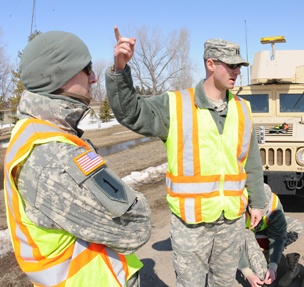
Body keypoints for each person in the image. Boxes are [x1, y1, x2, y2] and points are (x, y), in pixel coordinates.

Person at [105, 26, 266, 286]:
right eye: (232, 65)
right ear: (211, 64)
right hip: (192, 225)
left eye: (240, 66)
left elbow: (252, 162)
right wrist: (120, 71)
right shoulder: (175, 105)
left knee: (223, 283)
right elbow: (131, 112)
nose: (237, 71)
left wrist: (257, 201)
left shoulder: (243, 109)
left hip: (231, 222)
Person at [4, 31, 151, 287]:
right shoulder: (54, 157)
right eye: (87, 69)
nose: (94, 77)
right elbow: (135, 227)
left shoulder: (36, 131)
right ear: (59, 76)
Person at [238, 183, 303, 287]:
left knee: (296, 227)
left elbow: (279, 236)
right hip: (246, 232)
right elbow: (231, 244)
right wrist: (247, 273)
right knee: (261, 273)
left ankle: (266, 251)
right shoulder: (237, 204)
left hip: (264, 229)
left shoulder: (273, 203)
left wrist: (273, 266)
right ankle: (256, 255)